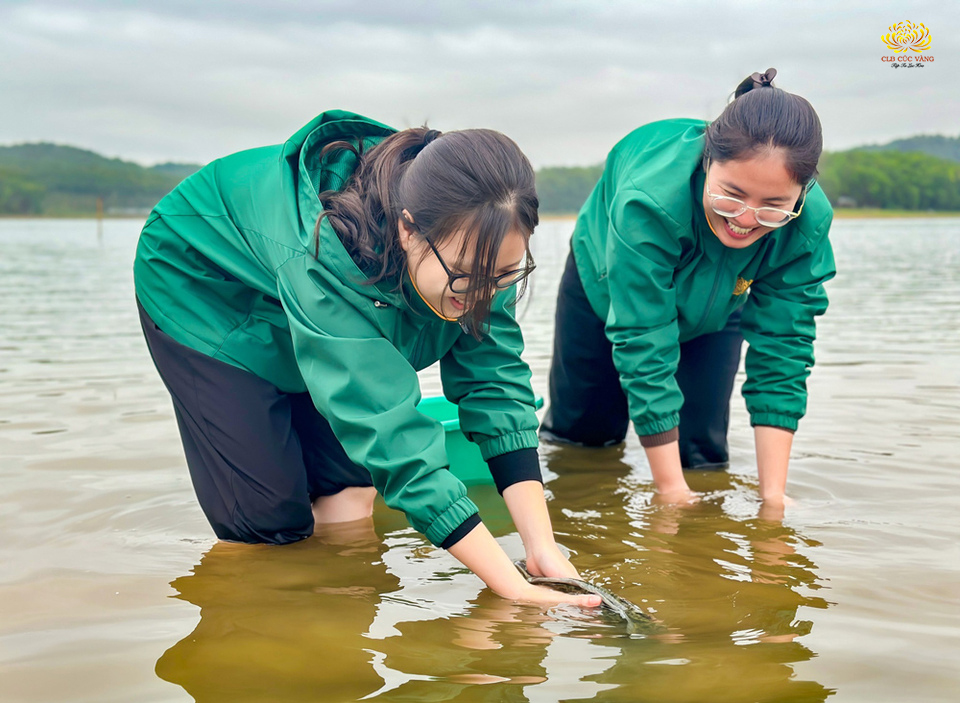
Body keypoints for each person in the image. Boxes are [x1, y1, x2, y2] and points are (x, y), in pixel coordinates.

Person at [134, 109, 600, 607]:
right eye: (466, 276)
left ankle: (337, 626)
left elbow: (495, 385)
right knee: (269, 525)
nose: (485, 292)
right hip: (204, 286)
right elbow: (391, 435)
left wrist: (541, 549)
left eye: (504, 275)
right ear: (407, 231)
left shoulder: (485, 251)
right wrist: (508, 587)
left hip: (302, 291)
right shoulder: (330, 251)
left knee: (349, 488)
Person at [541, 69, 836, 512]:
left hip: (721, 304)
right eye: (731, 195)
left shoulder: (805, 227)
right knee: (584, 442)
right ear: (706, 162)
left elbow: (784, 352)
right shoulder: (649, 201)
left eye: (773, 206)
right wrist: (669, 491)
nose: (745, 219)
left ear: (801, 193)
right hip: (606, 290)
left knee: (702, 456)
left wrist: (773, 498)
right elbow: (644, 340)